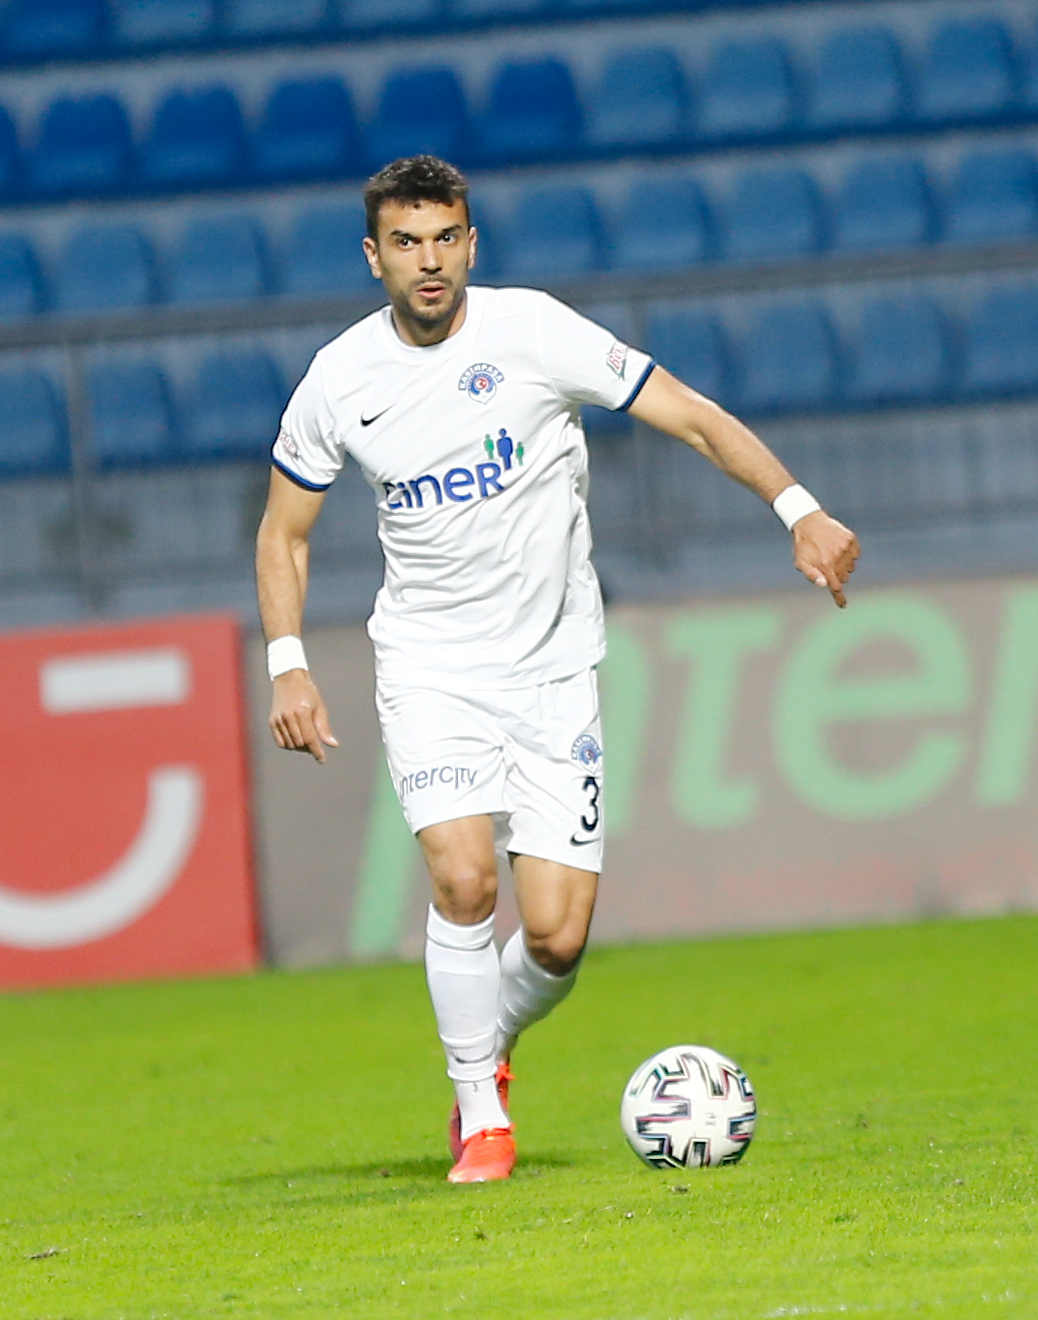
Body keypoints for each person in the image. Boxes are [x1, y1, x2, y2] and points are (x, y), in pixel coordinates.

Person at [254, 156, 860, 1184]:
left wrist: (797, 509)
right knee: (462, 879)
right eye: (405, 243)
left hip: (553, 669)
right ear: (373, 256)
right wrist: (288, 665)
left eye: (444, 238)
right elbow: (285, 533)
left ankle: (490, 1045)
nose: (428, 260)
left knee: (556, 938)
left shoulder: (534, 332)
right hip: (430, 668)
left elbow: (689, 413)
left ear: (471, 243)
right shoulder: (340, 380)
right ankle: (480, 1112)